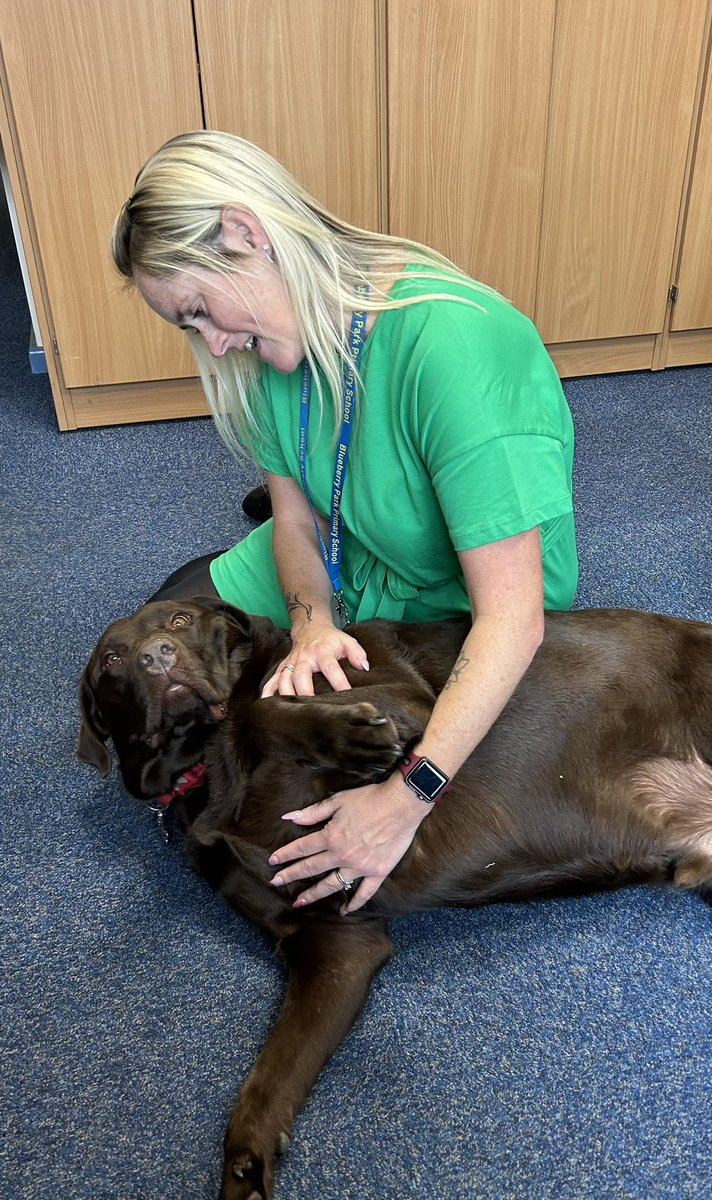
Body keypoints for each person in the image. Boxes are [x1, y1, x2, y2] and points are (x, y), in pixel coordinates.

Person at [112, 130, 578, 914]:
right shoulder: (264, 350)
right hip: (349, 543)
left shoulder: (456, 344)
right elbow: (294, 524)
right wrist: (311, 625)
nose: (213, 343)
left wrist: (408, 800)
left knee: (356, 746)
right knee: (154, 627)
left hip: (461, 591)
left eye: (200, 310)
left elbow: (514, 618)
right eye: (188, 328)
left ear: (245, 234)